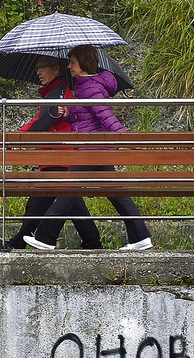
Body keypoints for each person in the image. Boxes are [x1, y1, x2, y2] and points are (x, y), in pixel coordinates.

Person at [23, 45, 152, 251]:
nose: (69, 66)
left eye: (72, 62)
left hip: (93, 149)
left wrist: (123, 137)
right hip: (96, 148)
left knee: (69, 188)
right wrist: (69, 111)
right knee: (116, 193)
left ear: (83, 64)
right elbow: (87, 114)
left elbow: (104, 114)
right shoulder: (85, 84)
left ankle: (46, 237)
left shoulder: (89, 87)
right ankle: (140, 235)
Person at [0, 55, 102, 250]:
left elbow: (42, 124)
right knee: (64, 202)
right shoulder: (54, 93)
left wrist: (15, 141)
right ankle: (92, 242)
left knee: (42, 201)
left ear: (56, 69)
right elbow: (39, 120)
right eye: (37, 68)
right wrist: (16, 138)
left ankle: (18, 243)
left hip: (58, 159)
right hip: (56, 159)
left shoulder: (58, 93)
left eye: (42, 67)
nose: (38, 72)